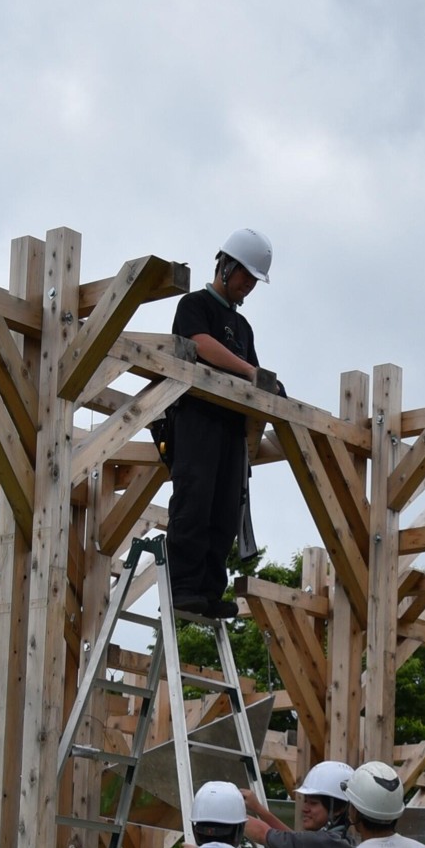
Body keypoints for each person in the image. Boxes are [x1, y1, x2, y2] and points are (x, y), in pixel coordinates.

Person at [166, 227, 272, 619]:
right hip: (197, 419)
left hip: (229, 427)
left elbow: (255, 373)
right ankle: (183, 586)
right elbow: (199, 344)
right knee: (195, 500)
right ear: (225, 266)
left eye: (253, 280)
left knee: (225, 509)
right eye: (245, 275)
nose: (248, 285)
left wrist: (268, 386)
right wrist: (247, 371)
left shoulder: (243, 329)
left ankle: (209, 589)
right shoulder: (196, 305)